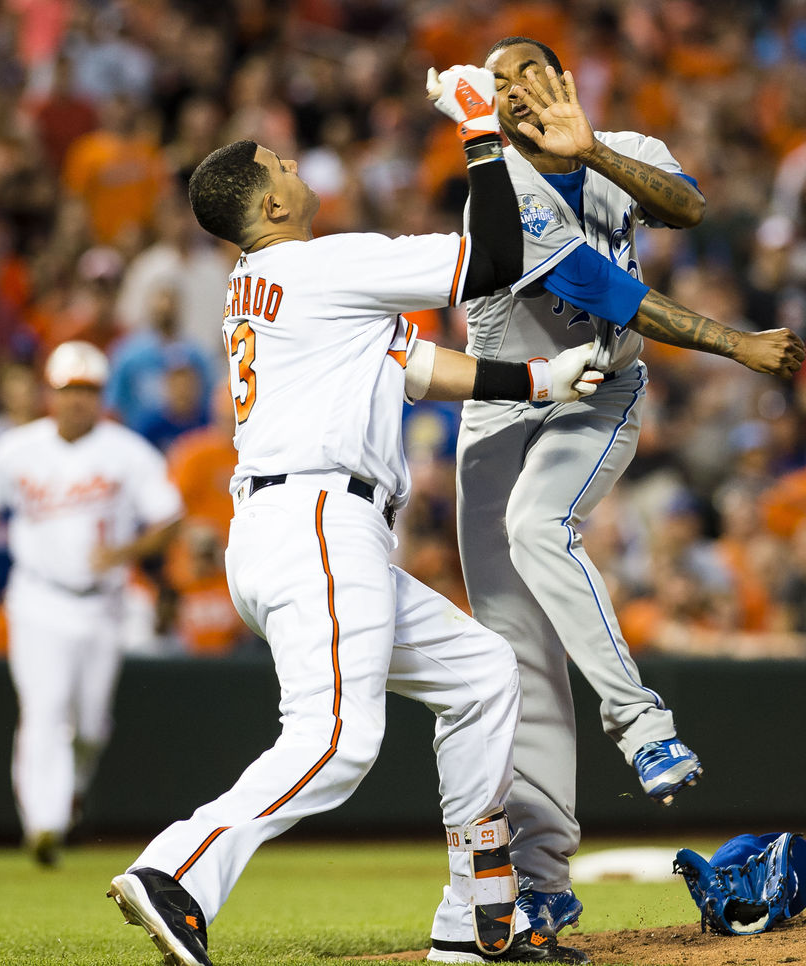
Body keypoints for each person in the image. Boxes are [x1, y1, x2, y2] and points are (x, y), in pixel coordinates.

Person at [98, 66, 598, 966]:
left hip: (299, 524)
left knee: (483, 674)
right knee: (336, 737)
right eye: (278, 161)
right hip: (319, 516)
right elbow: (490, 263)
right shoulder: (319, 263)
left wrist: (534, 381)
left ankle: (475, 912)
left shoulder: (273, 283)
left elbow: (412, 364)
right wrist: (482, 131)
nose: (294, 163)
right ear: (271, 204)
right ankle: (176, 868)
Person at [455, 37, 805, 938]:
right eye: (497, 83)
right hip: (502, 408)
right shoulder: (497, 194)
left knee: (540, 527)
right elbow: (611, 291)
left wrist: (595, 152)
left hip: (598, 394)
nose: (516, 90)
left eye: (529, 70)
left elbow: (687, 208)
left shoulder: (627, 148)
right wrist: (735, 343)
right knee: (513, 656)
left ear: (564, 80)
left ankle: (642, 725)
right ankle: (540, 880)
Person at [0, 341, 185, 867]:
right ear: (49, 394)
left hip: (104, 602)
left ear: (101, 396)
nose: (77, 400)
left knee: (92, 726)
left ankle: (67, 795)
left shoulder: (126, 450)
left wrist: (126, 550)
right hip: (38, 598)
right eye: (68, 389)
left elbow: (170, 518)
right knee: (43, 710)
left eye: (88, 390)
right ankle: (44, 826)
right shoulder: (17, 448)